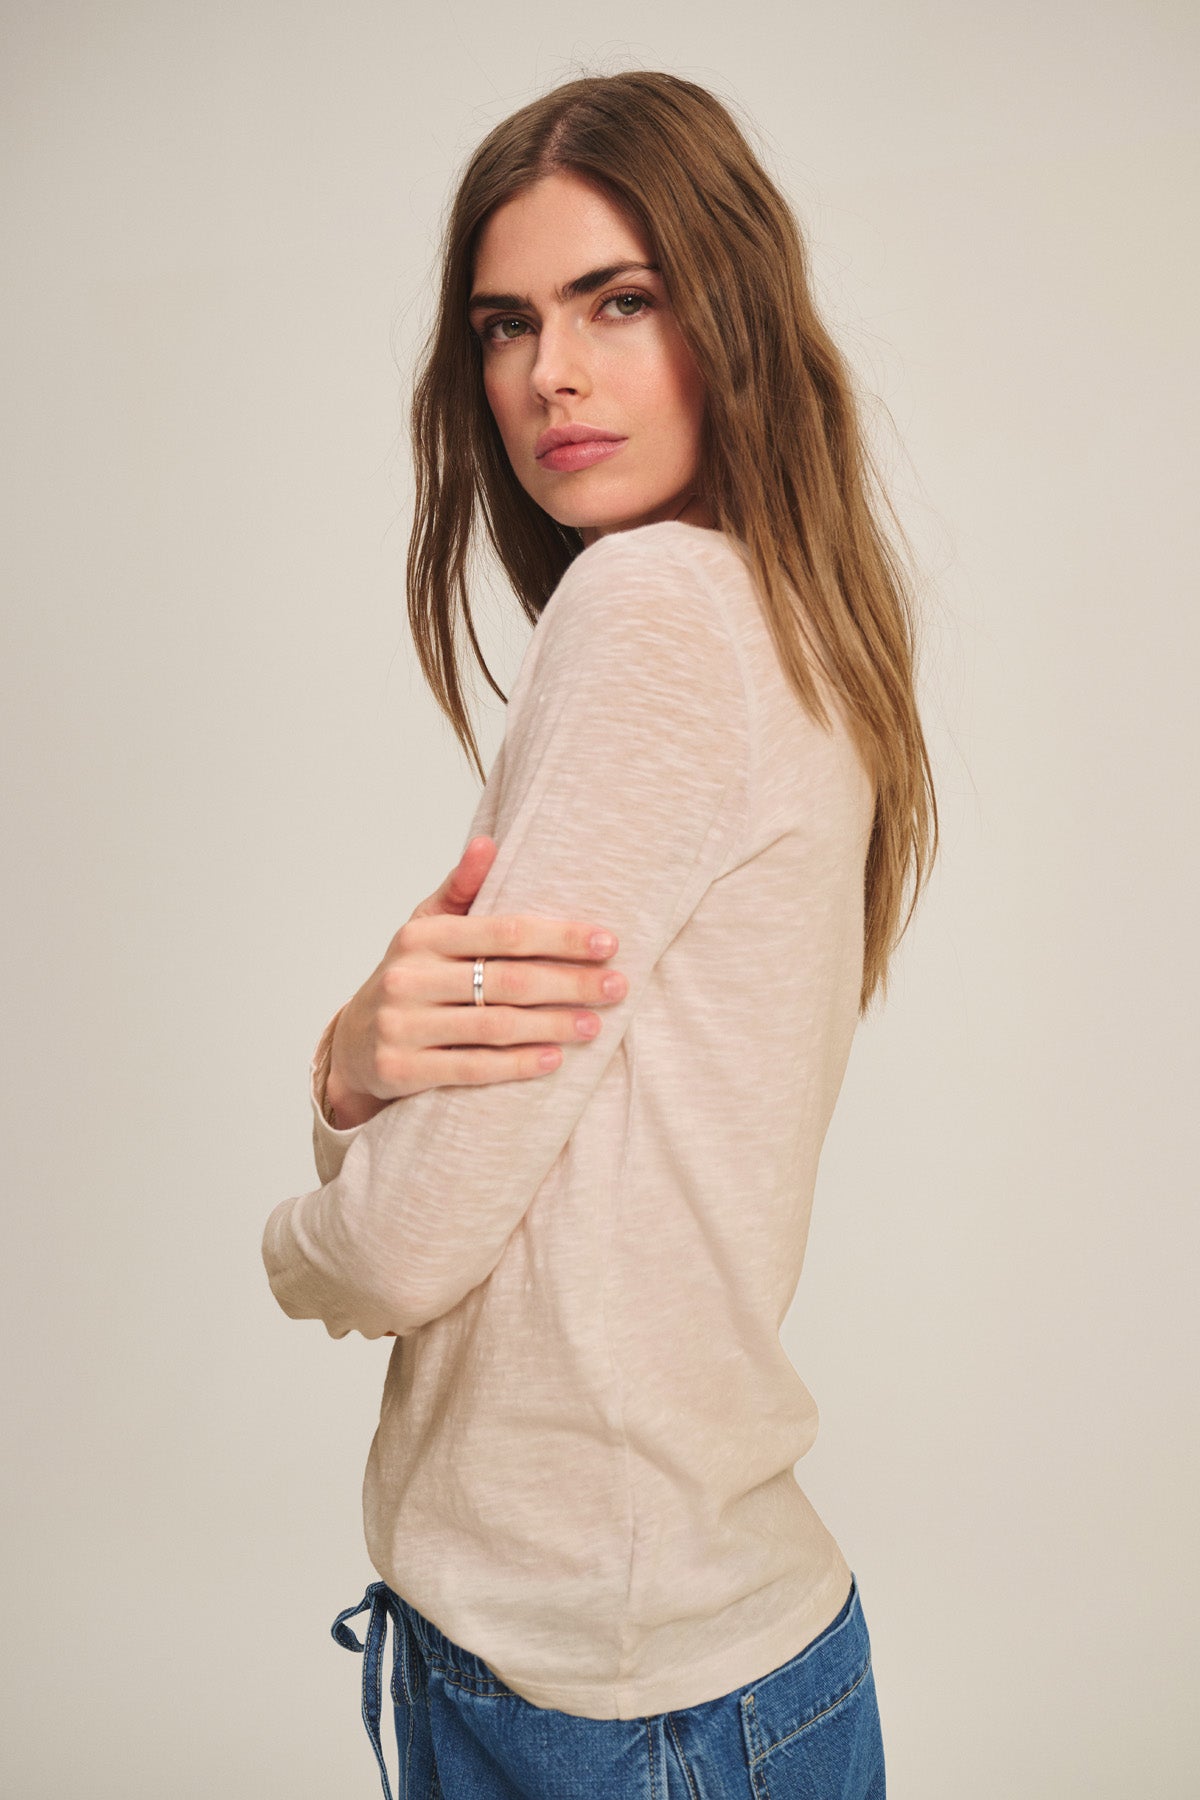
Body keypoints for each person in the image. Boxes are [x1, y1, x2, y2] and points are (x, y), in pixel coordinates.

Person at [262, 67, 937, 1800]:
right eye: (506, 324)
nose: (548, 373)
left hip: (609, 1689)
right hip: (684, 1658)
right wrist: (358, 1064)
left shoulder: (653, 611)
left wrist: (296, 1222)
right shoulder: (790, 615)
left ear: (730, 314)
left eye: (617, 302)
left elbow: (408, 1244)